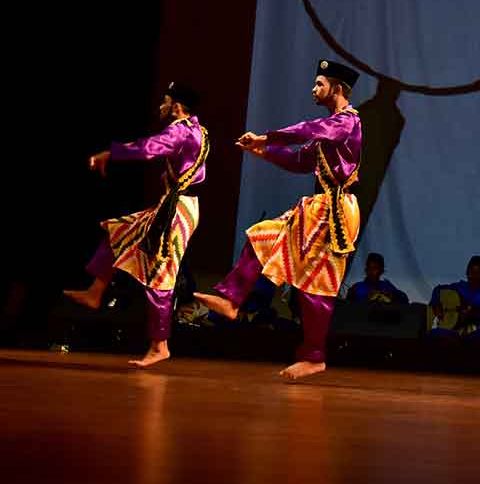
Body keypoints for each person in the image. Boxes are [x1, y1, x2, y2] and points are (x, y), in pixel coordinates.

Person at [195, 60, 361, 380]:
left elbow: (306, 130)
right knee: (262, 235)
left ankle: (314, 356)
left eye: (319, 84)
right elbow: (301, 160)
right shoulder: (332, 130)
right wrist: (262, 152)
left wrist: (264, 138)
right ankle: (231, 300)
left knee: (316, 285)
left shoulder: (347, 123)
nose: (313, 89)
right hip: (319, 209)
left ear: (337, 89)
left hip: (334, 213)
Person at [64, 82, 208, 368]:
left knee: (160, 272)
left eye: (165, 101)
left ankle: (159, 344)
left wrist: (111, 153)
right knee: (117, 230)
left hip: (177, 210)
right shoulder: (197, 129)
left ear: (177, 106)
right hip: (172, 206)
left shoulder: (181, 130)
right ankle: (95, 292)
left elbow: (148, 149)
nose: (160, 107)